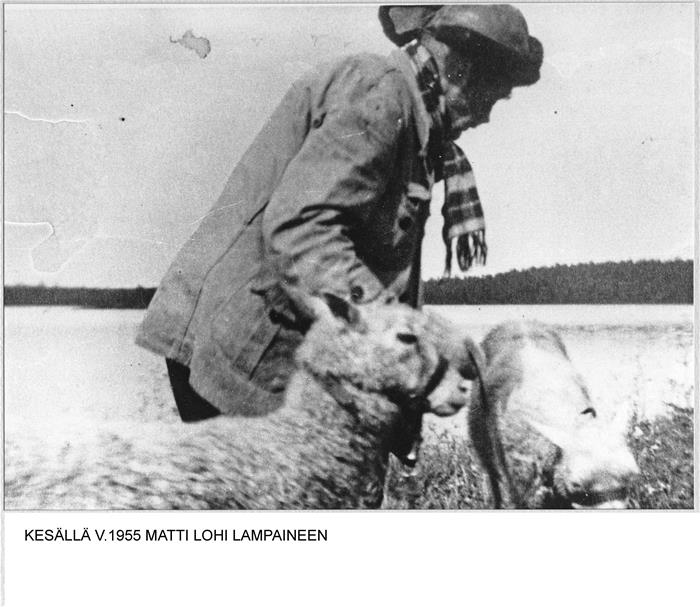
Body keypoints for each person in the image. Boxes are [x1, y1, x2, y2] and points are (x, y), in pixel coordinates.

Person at [136, 4, 543, 422]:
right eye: (493, 95)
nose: (487, 116)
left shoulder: (409, 113)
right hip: (242, 346)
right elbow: (303, 230)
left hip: (255, 336)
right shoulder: (382, 99)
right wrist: (406, 339)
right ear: (461, 69)